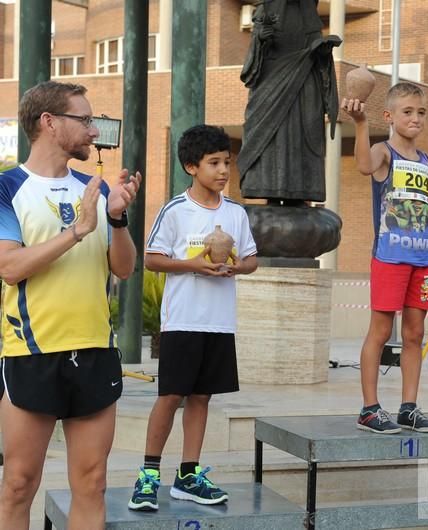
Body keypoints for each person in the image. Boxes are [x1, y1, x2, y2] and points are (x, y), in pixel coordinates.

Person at [0, 81, 140, 530]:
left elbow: (123, 269)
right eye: (84, 120)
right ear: (49, 122)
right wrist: (77, 230)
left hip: (95, 350)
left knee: (93, 482)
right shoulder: (8, 188)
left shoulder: (95, 189)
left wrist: (116, 219)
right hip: (30, 353)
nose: (93, 131)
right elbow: (8, 266)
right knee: (19, 484)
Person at [127, 125, 258, 511]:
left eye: (226, 163)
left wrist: (237, 268)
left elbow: (251, 258)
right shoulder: (175, 210)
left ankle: (187, 476)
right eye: (213, 163)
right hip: (183, 321)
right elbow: (151, 258)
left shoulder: (235, 213)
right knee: (170, 397)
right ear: (191, 166)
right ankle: (148, 477)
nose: (222, 171)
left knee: (201, 397)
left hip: (219, 323)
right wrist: (192, 265)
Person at [341, 83, 428, 434]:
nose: (415, 118)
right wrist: (358, 123)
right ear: (389, 116)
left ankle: (409, 407)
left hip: (424, 260)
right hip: (389, 256)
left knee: (415, 333)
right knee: (381, 331)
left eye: (420, 113)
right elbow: (362, 167)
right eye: (407, 112)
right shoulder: (384, 152)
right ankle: (370, 409)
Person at [238, 0, 340, 202]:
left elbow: (317, 50)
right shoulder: (266, 9)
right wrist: (261, 39)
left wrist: (322, 51)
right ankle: (270, 191)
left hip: (305, 86)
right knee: (271, 137)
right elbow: (252, 61)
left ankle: (300, 194)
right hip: (272, 80)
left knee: (302, 134)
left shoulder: (308, 12)